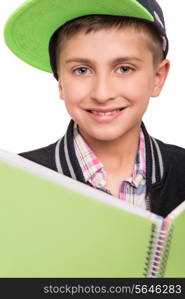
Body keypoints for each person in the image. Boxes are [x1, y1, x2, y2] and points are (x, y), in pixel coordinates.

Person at [4, 0, 185, 217]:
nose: (102, 93)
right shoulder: (14, 182)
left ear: (158, 77)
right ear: (61, 82)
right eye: (81, 70)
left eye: (124, 69)